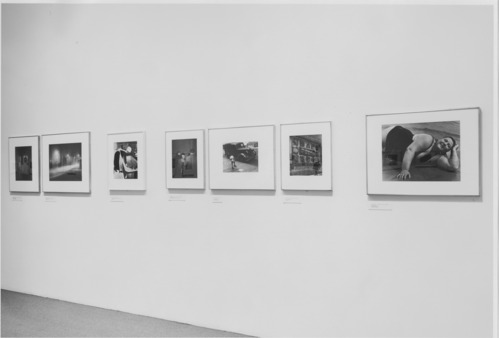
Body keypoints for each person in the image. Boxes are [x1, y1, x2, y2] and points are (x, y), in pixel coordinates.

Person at [382, 125, 459, 180]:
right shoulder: (428, 139)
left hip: (393, 150)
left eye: (448, 145)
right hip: (394, 134)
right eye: (445, 140)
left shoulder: (437, 156)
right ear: (440, 139)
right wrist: (405, 169)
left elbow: (453, 167)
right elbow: (410, 149)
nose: (445, 143)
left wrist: (454, 150)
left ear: (446, 150)